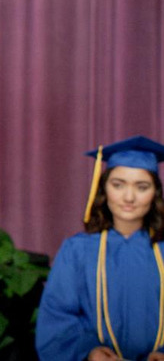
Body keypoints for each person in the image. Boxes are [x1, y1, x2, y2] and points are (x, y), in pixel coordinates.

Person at [36, 135, 164, 361]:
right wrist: (90, 351)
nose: (129, 197)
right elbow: (57, 317)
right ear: (104, 189)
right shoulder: (77, 251)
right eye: (118, 185)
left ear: (155, 194)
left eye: (142, 187)